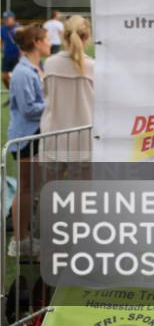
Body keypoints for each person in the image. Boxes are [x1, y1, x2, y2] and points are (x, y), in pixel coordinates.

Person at [6, 24, 50, 256]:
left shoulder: (35, 67)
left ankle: (24, 236)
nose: (49, 42)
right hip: (25, 137)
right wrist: (54, 106)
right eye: (45, 39)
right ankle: (19, 240)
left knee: (29, 187)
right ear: (35, 43)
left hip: (34, 135)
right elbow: (28, 108)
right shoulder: (23, 72)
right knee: (25, 189)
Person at [40, 16, 94, 162]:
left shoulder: (50, 64)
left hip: (53, 139)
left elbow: (45, 95)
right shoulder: (95, 67)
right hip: (85, 143)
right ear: (87, 37)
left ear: (63, 36)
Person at [1, 11, 21, 89]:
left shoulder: (18, 28)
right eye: (5, 18)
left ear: (13, 18)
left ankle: (17, 95)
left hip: (17, 56)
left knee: (17, 77)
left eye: (7, 18)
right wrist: (3, 50)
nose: (6, 20)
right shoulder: (2, 28)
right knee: (4, 77)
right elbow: (1, 41)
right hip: (7, 56)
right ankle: (11, 93)